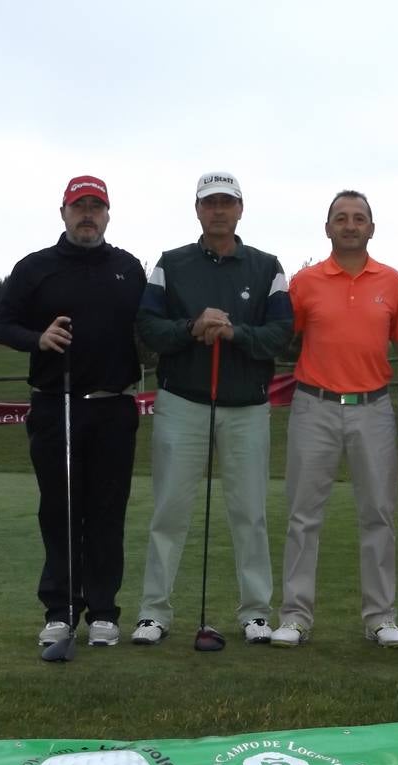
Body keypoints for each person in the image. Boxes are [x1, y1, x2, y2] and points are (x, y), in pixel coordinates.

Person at [134, 171, 294, 645]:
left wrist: (233, 334)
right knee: (170, 509)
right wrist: (191, 327)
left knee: (249, 511)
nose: (219, 210)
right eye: (210, 203)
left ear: (241, 210)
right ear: (198, 209)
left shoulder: (266, 267)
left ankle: (256, 612)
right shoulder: (171, 264)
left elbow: (279, 335)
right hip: (183, 402)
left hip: (246, 407)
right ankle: (154, 612)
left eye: (227, 202)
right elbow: (148, 328)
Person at [0, 175, 145, 649]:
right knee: (59, 512)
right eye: (78, 206)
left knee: (107, 513)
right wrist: (37, 338)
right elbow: (3, 325)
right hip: (54, 405)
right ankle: (60, 610)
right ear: (63, 213)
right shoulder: (35, 268)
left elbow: (149, 326)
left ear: (107, 214)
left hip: (113, 408)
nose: (87, 214)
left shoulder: (128, 268)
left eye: (95, 207)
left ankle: (103, 611)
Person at [269, 191, 398, 649]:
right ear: (327, 228)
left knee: (379, 515)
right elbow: (278, 335)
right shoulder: (305, 282)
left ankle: (380, 617)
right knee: (303, 517)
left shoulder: (392, 283)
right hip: (315, 406)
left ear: (372, 228)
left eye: (359, 218)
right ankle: (294, 616)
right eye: (341, 218)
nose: (350, 225)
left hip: (373, 409)